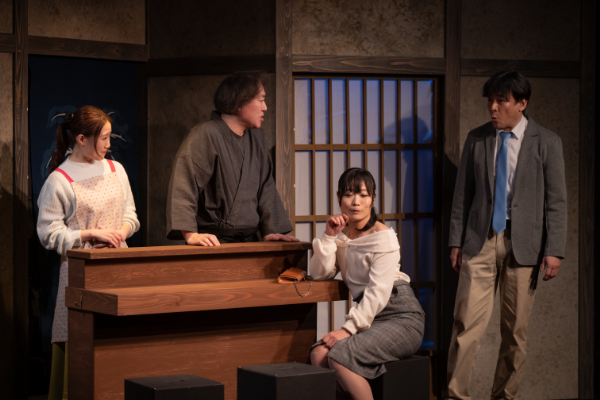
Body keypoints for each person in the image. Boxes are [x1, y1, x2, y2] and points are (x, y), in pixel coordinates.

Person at [446, 71, 567, 399]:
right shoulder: (477, 138)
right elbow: (462, 196)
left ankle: (504, 397)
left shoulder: (547, 142)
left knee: (515, 333)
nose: (493, 108)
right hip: (479, 240)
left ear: (521, 104)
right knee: (465, 326)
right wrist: (456, 241)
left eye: (501, 101)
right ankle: (456, 396)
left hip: (524, 245)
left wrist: (554, 249)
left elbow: (556, 202)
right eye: (490, 100)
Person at [37, 105, 140, 400]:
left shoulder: (116, 169)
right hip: (80, 272)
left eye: (109, 137)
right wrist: (89, 234)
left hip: (118, 266)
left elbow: (131, 215)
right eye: (104, 138)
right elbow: (48, 233)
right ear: (81, 139)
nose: (108, 145)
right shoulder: (59, 180)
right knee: (83, 342)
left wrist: (121, 231)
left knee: (119, 339)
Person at [308, 168, 425, 400]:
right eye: (349, 194)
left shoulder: (383, 236)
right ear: (338, 196)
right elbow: (319, 274)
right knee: (318, 353)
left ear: (372, 199)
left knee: (339, 357)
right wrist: (329, 236)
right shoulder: (343, 237)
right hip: (370, 320)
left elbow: (378, 292)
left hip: (401, 317)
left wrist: (347, 329)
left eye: (363, 195)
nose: (355, 202)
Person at [166, 71, 296, 246]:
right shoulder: (205, 135)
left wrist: (270, 231)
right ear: (239, 102)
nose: (265, 107)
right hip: (213, 243)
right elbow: (184, 185)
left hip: (250, 243)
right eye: (261, 100)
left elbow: (266, 187)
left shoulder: (256, 137)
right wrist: (191, 234)